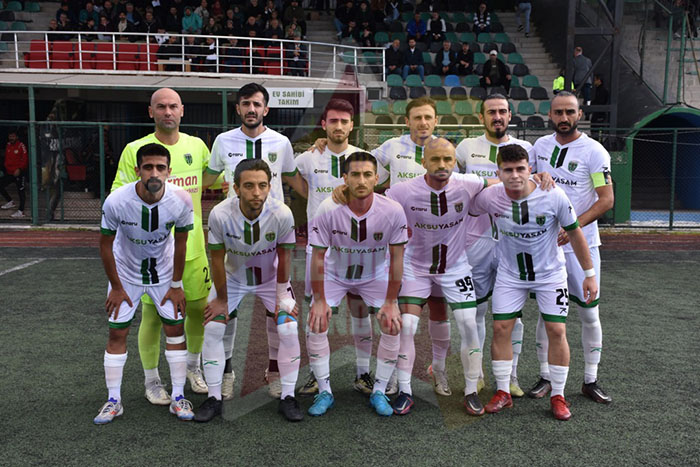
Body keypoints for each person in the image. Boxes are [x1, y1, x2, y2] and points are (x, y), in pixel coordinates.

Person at [314, 97, 453, 398]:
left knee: (445, 311)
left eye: (428, 117)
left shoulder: (448, 151)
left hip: (436, 244)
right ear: (407, 121)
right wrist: (327, 146)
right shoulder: (391, 146)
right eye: (417, 117)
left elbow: (469, 182)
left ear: (436, 120)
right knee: (395, 318)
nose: (423, 123)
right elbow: (362, 162)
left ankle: (439, 369)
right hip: (392, 243)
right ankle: (387, 379)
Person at [471, 143, 598, 421]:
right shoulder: (490, 196)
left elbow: (575, 233)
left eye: (520, 169)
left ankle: (558, 395)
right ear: (498, 172)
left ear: (530, 169)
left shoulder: (553, 194)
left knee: (556, 330)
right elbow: (466, 208)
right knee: (501, 328)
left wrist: (589, 274)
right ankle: (503, 392)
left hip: (550, 275)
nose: (515, 175)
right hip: (510, 275)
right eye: (508, 170)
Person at [203, 82, 306, 398]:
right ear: (238, 108)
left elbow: (294, 179)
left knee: (277, 312)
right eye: (246, 103)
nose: (251, 109)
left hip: (271, 238)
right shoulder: (222, 141)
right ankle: (226, 372)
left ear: (266, 109)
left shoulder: (281, 142)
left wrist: (327, 196)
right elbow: (207, 178)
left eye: (257, 104)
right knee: (225, 311)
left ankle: (274, 371)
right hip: (235, 237)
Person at [111, 88, 213, 405]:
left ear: (182, 110)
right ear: (151, 112)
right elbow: (119, 196)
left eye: (173, 106)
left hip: (193, 248)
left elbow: (214, 178)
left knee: (197, 310)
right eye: (161, 107)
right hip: (152, 255)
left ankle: (193, 368)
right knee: (153, 317)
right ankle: (152, 380)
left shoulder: (197, 146)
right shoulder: (134, 150)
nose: (167, 112)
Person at [383, 138, 488, 416]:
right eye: (435, 159)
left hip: (455, 267)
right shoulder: (403, 190)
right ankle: (405, 389)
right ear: (423, 162)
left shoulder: (469, 184)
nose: (442, 165)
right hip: (415, 267)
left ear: (455, 161)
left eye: (448, 159)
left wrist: (537, 178)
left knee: (468, 324)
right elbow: (379, 206)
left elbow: (504, 184)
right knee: (407, 325)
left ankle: (469, 389)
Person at [195, 159, 303, 422]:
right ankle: (214, 397)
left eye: (262, 185)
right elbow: (216, 259)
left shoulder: (282, 213)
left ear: (269, 187)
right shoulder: (220, 214)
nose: (257, 192)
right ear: (236, 188)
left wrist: (282, 295)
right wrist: (221, 300)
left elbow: (285, 257)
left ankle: (288, 396)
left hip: (271, 280)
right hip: (233, 279)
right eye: (249, 186)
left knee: (288, 327)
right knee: (213, 327)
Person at [95, 143, 195, 424]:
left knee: (175, 329)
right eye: (148, 167)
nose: (154, 173)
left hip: (164, 274)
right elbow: (105, 245)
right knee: (117, 333)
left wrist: (176, 284)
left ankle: (178, 397)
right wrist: (116, 287)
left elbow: (181, 243)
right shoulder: (116, 201)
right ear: (137, 170)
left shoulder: (181, 200)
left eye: (160, 167)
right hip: (126, 275)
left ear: (169, 171)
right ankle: (113, 400)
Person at [527, 91, 614, 404]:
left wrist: (573, 225)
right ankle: (546, 377)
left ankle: (590, 379)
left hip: (582, 247)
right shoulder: (539, 147)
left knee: (589, 314)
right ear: (550, 115)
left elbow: (606, 199)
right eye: (558, 112)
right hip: (546, 247)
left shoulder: (594, 151)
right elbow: (526, 183)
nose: (564, 118)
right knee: (546, 315)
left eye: (570, 112)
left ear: (579, 115)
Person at [306, 151, 408, 417]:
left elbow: (397, 258)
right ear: (344, 178)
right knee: (316, 322)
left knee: (392, 324)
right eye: (355, 175)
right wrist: (319, 301)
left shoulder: (392, 210)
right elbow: (317, 257)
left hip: (374, 275)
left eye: (367, 175)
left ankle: (379, 390)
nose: (361, 181)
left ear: (377, 178)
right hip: (334, 274)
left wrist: (391, 302)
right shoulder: (328, 207)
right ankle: (324, 391)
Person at [455, 94, 537, 398]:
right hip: (474, 242)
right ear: (481, 117)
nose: (497, 116)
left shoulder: (527, 148)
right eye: (491, 112)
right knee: (474, 311)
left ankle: (511, 376)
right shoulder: (465, 148)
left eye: (502, 111)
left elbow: (538, 184)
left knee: (514, 315)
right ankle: (475, 375)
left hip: (513, 243)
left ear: (510, 115)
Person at [296, 99, 377, 396]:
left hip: (357, 249)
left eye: (344, 121)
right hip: (319, 249)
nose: (339, 126)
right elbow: (292, 176)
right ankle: (317, 376)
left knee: (360, 311)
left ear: (352, 125)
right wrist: (313, 199)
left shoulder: (363, 158)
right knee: (317, 314)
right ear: (324, 124)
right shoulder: (308, 158)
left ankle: (363, 373)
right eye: (333, 121)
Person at [0, 130, 28, 219]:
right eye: (10, 136)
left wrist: (19, 169)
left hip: (19, 172)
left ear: (17, 137)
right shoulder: (8, 145)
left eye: (13, 136)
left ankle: (21, 211)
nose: (11, 138)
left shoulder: (21, 145)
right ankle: (10, 202)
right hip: (9, 172)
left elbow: (25, 159)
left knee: (21, 191)